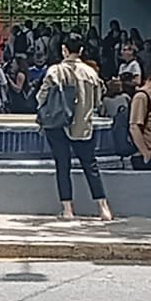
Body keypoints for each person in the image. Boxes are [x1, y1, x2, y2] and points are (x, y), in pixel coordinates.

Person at [36, 33, 112, 221]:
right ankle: (103, 208)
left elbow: (41, 96)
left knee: (63, 166)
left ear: (64, 50)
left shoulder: (55, 71)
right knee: (90, 166)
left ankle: (68, 210)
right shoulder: (91, 73)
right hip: (82, 125)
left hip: (57, 124)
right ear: (81, 50)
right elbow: (98, 101)